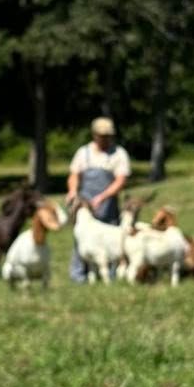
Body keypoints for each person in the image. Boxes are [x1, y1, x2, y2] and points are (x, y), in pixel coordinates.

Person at [66, 116, 131, 283]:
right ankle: (79, 276)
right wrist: (73, 191)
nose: (105, 139)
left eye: (108, 136)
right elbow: (74, 175)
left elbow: (121, 180)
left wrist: (103, 197)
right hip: (85, 207)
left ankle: (110, 276)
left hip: (107, 206)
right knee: (82, 240)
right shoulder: (83, 153)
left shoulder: (119, 154)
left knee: (111, 240)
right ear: (94, 135)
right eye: (102, 136)